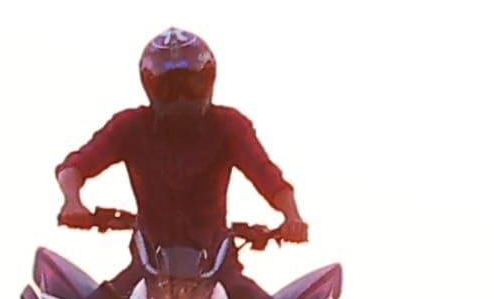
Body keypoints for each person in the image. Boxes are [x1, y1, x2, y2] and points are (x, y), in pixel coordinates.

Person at [53, 27, 310, 264]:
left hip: (217, 268)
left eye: (190, 84)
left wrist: (292, 217)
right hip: (147, 269)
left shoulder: (230, 125)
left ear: (208, 80)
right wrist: (72, 203)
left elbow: (268, 176)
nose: (181, 96)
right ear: (150, 86)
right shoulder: (129, 126)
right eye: (169, 87)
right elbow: (74, 167)